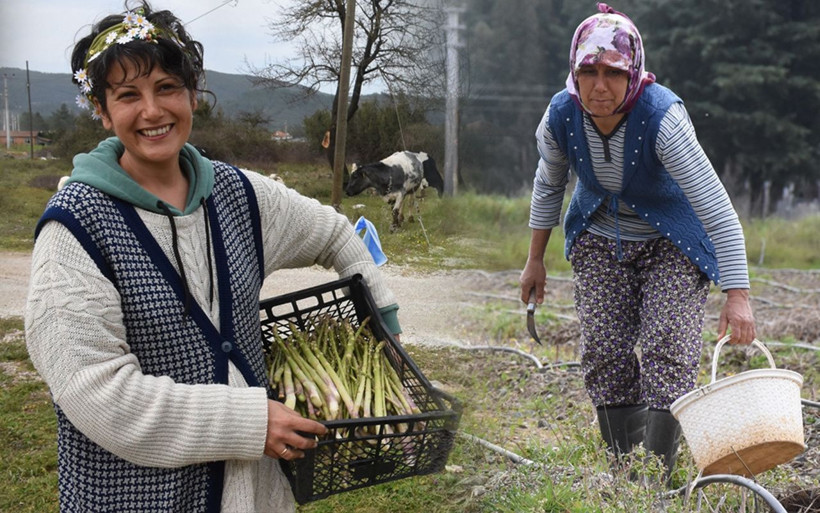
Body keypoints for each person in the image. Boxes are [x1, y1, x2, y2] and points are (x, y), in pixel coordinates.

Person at [24, 2, 402, 511]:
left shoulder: (238, 194)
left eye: (167, 88)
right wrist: (250, 421)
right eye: (128, 95)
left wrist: (388, 330)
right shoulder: (76, 227)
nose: (153, 111)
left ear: (193, 93)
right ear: (101, 108)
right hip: (138, 496)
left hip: (252, 493)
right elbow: (96, 394)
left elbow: (337, 233)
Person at [519, 3, 756, 483]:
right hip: (600, 235)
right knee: (605, 350)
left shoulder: (662, 119)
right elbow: (548, 185)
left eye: (613, 73)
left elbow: (715, 206)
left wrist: (738, 293)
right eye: (589, 71)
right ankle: (623, 468)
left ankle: (655, 474)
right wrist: (534, 261)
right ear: (574, 71)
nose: (599, 85)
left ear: (634, 74)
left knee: (669, 343)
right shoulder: (561, 117)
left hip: (671, 240)